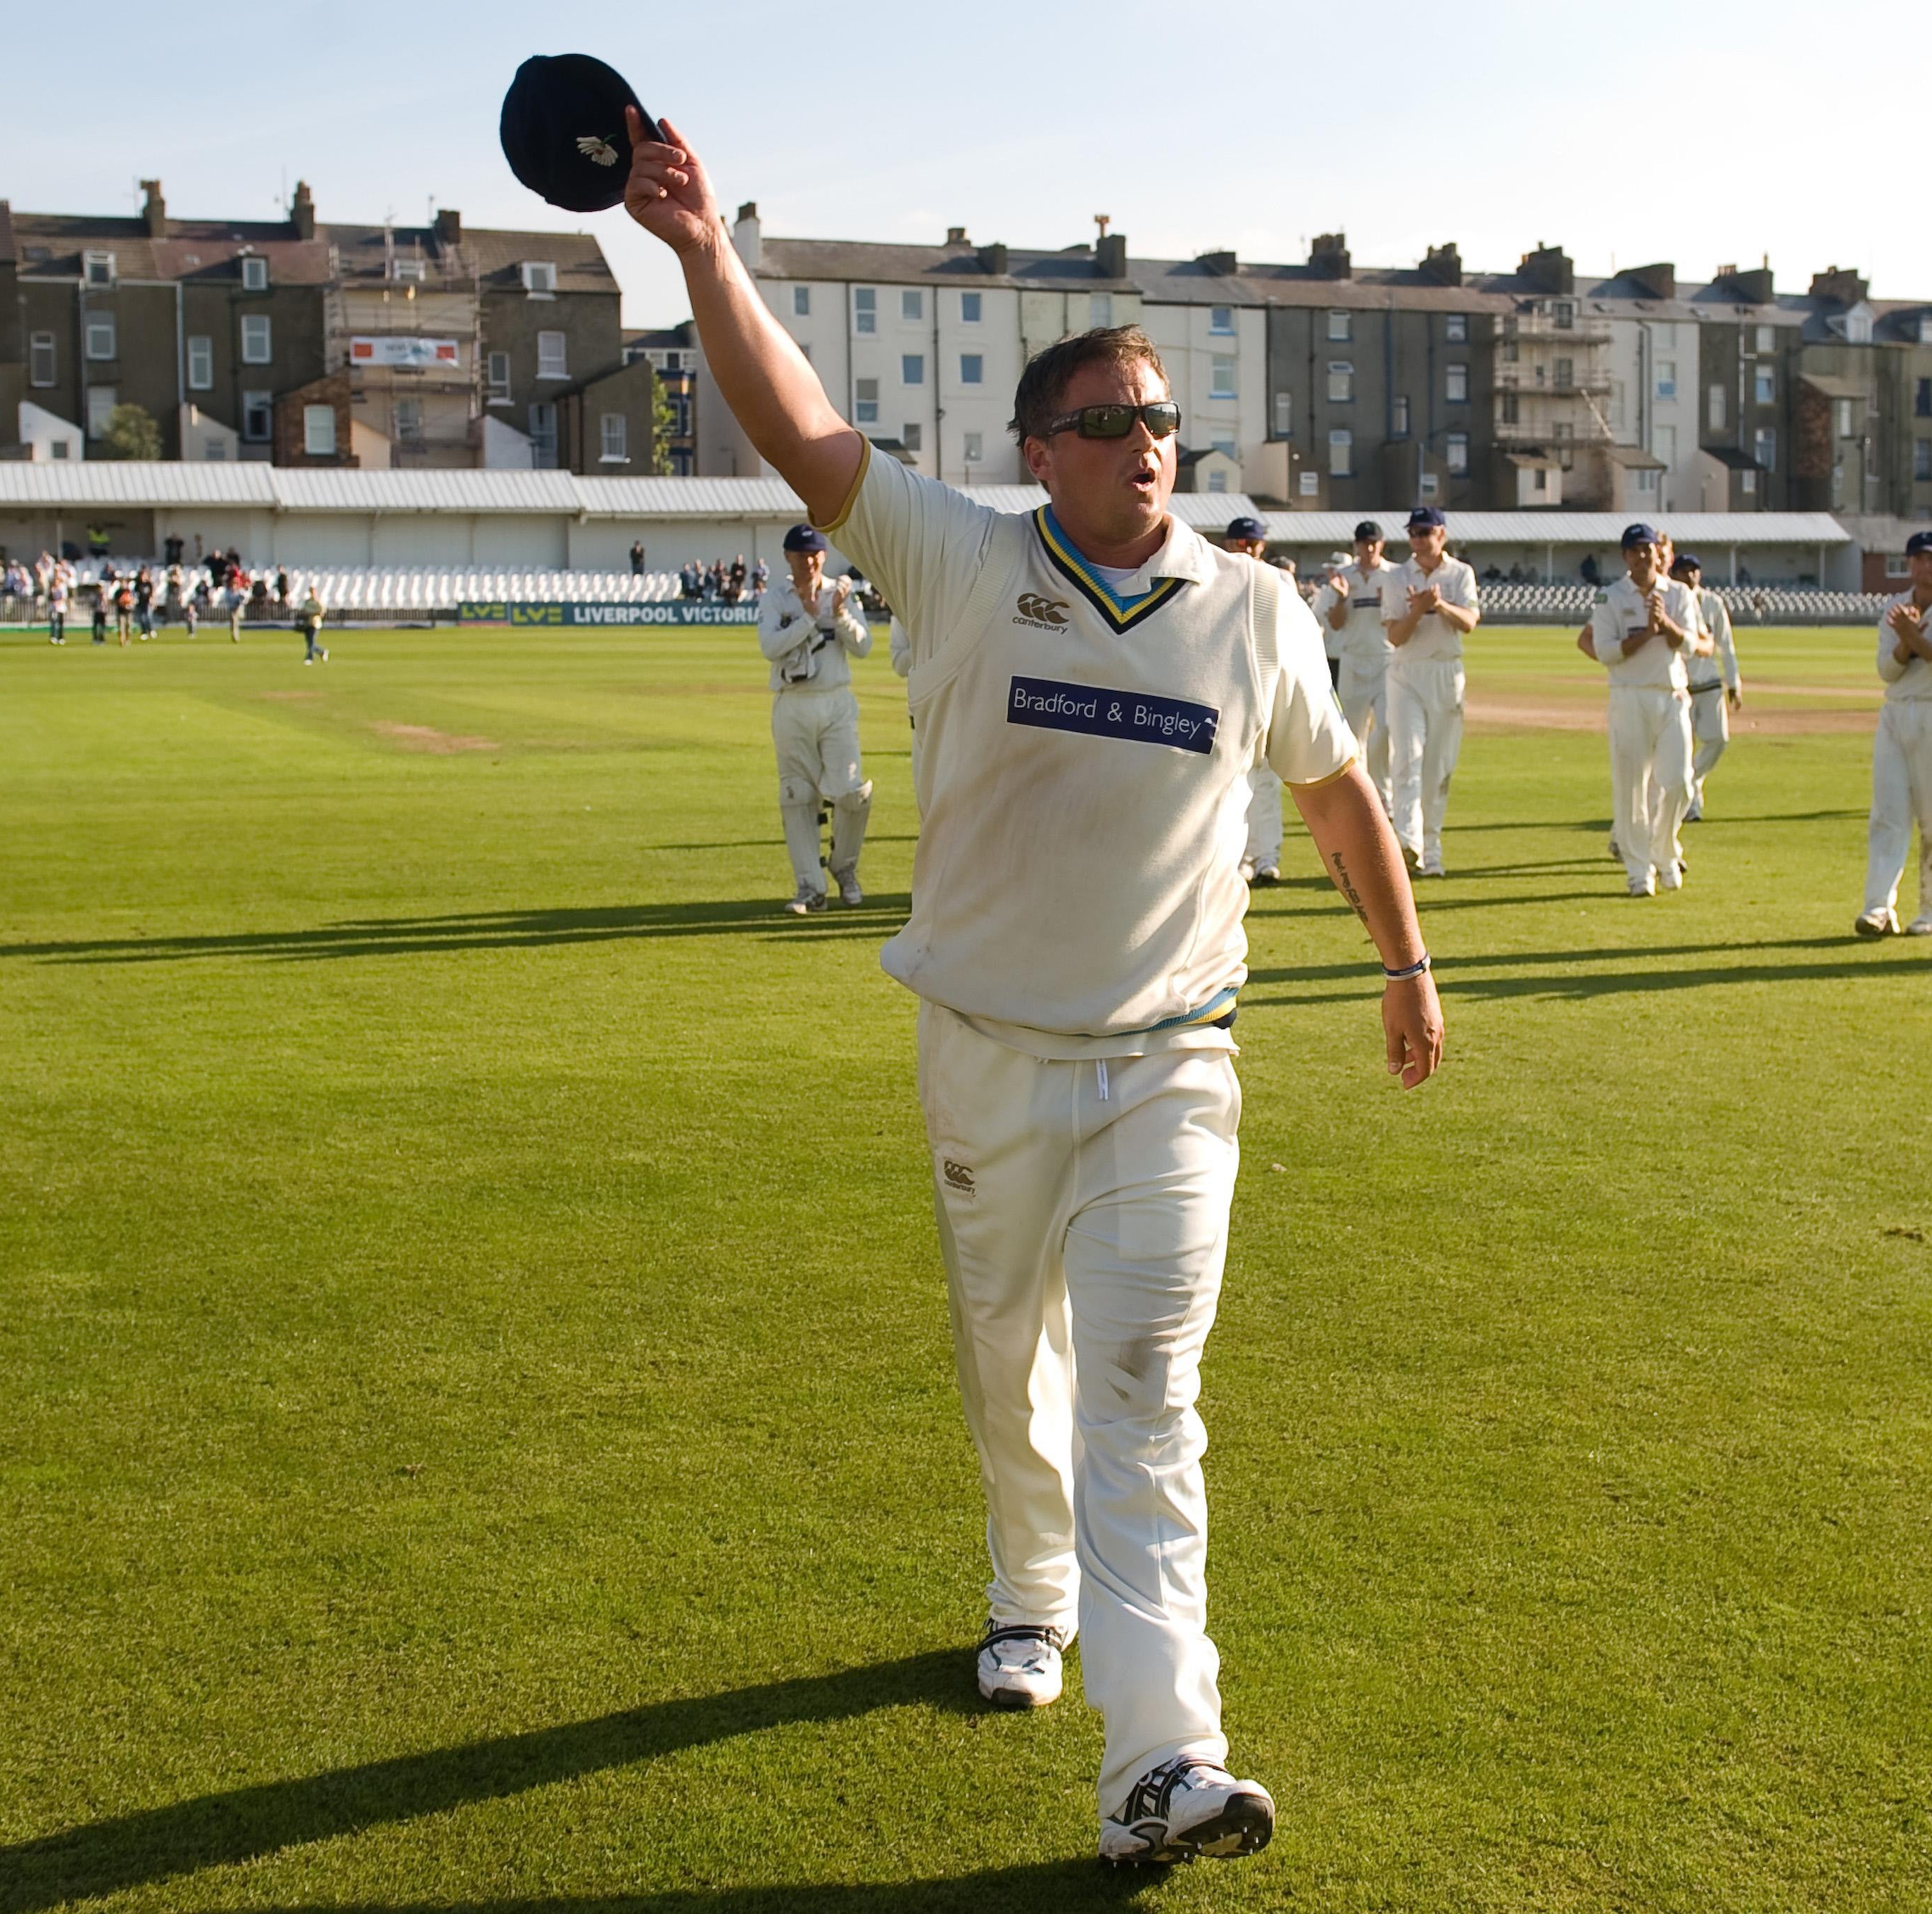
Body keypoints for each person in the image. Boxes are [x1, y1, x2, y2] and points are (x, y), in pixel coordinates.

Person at [624, 108, 1441, 1869]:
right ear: (1038, 450)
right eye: (1105, 421)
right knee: (1013, 1358)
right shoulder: (961, 561)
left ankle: (1162, 1761)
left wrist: (1404, 959)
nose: (1141, 443)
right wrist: (705, 258)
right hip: (985, 1051)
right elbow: (803, 430)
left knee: (1143, 1388)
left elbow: (1332, 787)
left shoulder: (1253, 609)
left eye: (1158, 418)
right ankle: (1026, 1594)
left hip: (1171, 1063)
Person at [1857, 530, 1932, 938]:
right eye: (1919, 559)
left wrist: (1913, 639)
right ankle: (1878, 907)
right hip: (1896, 715)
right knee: (1888, 815)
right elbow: (1886, 671)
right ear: (1909, 564)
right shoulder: (1895, 606)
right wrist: (1906, 646)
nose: (1927, 567)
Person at [760, 522, 876, 912]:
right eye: (800, 555)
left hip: (835, 701)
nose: (808, 561)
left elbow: (863, 648)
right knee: (797, 796)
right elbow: (770, 646)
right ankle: (810, 888)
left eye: (815, 555)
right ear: (788, 557)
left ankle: (844, 867)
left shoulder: (839, 592)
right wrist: (808, 618)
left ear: (823, 557)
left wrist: (840, 614)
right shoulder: (776, 599)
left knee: (851, 793)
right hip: (792, 703)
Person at [1577, 524, 1697, 896]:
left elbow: (1690, 645)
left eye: (1648, 550)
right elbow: (1608, 652)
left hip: (1671, 694)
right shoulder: (1607, 597)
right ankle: (1638, 869)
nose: (1643, 556)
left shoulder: (1678, 593)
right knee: (1631, 788)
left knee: (1678, 783)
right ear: (1625, 557)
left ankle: (1664, 851)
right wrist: (1647, 632)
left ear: (1657, 554)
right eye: (1635, 551)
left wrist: (1666, 625)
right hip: (1629, 696)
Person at [1377, 505, 1477, 877]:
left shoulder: (1461, 573)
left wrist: (1439, 605)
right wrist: (1418, 610)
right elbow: (1395, 636)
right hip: (1406, 674)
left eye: (1425, 532)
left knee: (1439, 769)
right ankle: (1409, 844)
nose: (1418, 540)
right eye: (1414, 533)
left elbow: (1469, 622)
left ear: (1442, 535)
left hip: (1446, 673)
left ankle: (1431, 848)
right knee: (1407, 759)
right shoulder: (1396, 576)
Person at [1223, 516, 1286, 886]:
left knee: (1267, 779)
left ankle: (1267, 857)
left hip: (1269, 685)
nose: (1247, 549)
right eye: (1240, 542)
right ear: (1229, 544)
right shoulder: (1216, 578)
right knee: (1233, 775)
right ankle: (1242, 857)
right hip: (1231, 689)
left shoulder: (1281, 582)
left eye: (1253, 543)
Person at [1318, 520, 1395, 796]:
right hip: (1353, 660)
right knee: (1352, 736)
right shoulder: (1343, 576)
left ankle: (1384, 795)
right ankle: (1362, 798)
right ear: (1356, 545)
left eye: (1374, 542)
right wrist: (1341, 598)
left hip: (1387, 661)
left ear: (1382, 544)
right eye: (1364, 543)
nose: (1369, 547)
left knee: (1386, 730)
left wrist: (1387, 601)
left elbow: (1399, 620)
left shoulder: (1394, 575)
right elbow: (1336, 625)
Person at [1672, 553, 1741, 825]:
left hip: (1710, 683)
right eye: (1684, 571)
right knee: (1682, 748)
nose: (1690, 576)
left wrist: (1734, 682)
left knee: (1719, 740)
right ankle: (1692, 805)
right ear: (1674, 574)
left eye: (1694, 571)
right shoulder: (1672, 601)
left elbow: (1726, 644)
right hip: (1682, 687)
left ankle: (1693, 780)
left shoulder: (1712, 602)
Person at [296, 586, 328, 663]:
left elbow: (321, 612)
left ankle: (309, 658)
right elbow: (304, 611)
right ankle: (322, 652)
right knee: (310, 643)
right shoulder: (307, 602)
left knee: (311, 642)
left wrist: (311, 613)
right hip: (307, 624)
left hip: (315, 624)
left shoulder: (318, 602)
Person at [46, 564, 70, 646]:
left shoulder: (62, 587)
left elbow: (64, 597)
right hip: (53, 608)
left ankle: (61, 637)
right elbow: (49, 597)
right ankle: (53, 637)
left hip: (60, 608)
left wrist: (58, 602)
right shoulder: (52, 588)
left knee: (60, 623)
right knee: (53, 623)